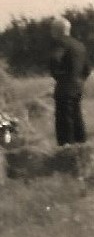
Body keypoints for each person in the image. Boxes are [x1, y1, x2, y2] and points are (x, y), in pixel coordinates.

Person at [49, 16, 90, 146]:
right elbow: (87, 68)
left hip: (65, 88)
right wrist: (79, 79)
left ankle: (66, 150)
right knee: (77, 118)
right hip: (78, 87)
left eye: (52, 30)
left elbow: (55, 59)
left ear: (57, 31)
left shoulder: (61, 43)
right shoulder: (80, 46)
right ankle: (82, 146)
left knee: (64, 121)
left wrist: (58, 76)